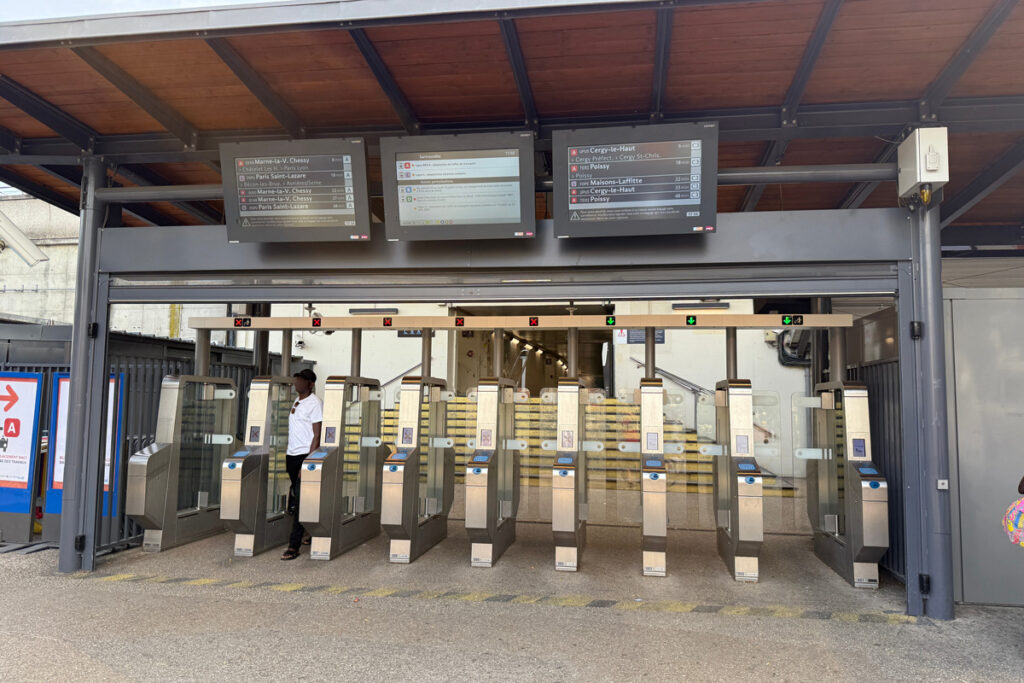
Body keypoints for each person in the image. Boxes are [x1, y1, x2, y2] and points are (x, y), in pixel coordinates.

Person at [281, 368, 322, 560]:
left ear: (310, 384)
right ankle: (314, 531)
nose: (296, 384)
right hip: (292, 455)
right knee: (302, 497)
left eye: (300, 382)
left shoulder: (315, 404)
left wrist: (309, 462)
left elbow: (317, 435)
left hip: (304, 456)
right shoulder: (297, 401)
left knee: (299, 502)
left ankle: (293, 545)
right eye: (295, 381)